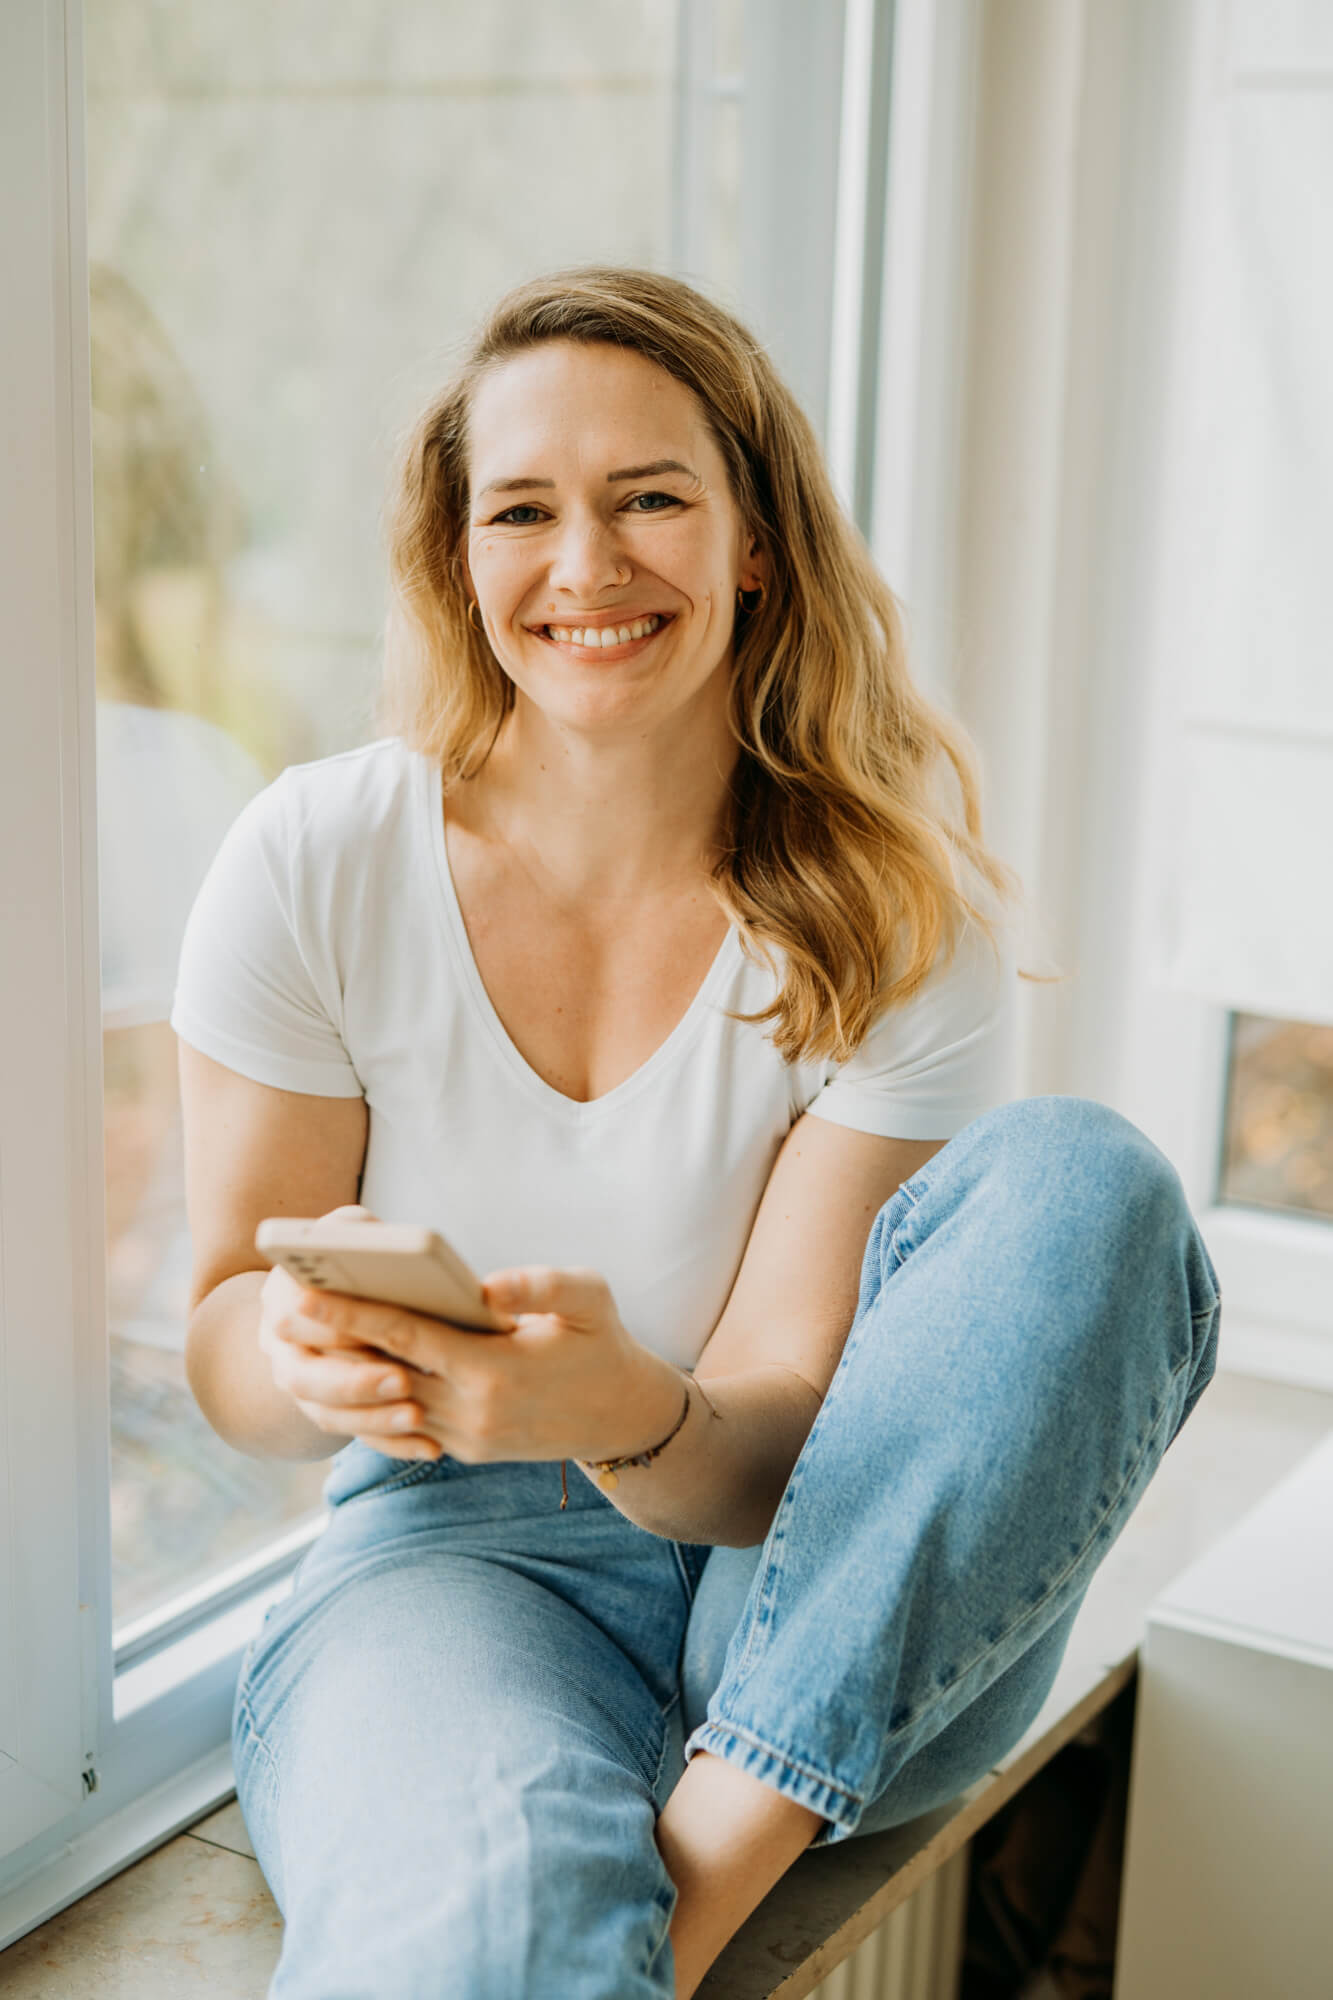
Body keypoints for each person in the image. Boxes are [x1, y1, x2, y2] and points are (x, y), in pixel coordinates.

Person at [172, 265, 1221, 2000]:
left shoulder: (893, 913)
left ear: (753, 543)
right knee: (484, 1928)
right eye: (523, 510)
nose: (585, 566)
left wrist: (623, 1408)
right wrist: (308, 1358)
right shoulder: (316, 860)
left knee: (1086, 1180)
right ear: (460, 559)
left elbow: (779, 1458)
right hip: (458, 1566)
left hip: (843, 1580)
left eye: (650, 498)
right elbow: (221, 1348)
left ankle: (699, 1888)